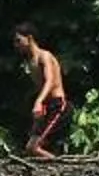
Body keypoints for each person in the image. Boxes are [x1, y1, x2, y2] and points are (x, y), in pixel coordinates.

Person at [14, 22, 69, 158]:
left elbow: (50, 81)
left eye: (18, 40)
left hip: (58, 106)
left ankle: (60, 169)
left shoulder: (44, 56)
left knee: (34, 147)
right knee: (30, 148)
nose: (16, 45)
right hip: (46, 106)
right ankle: (54, 167)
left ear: (30, 38)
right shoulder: (30, 62)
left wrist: (38, 101)